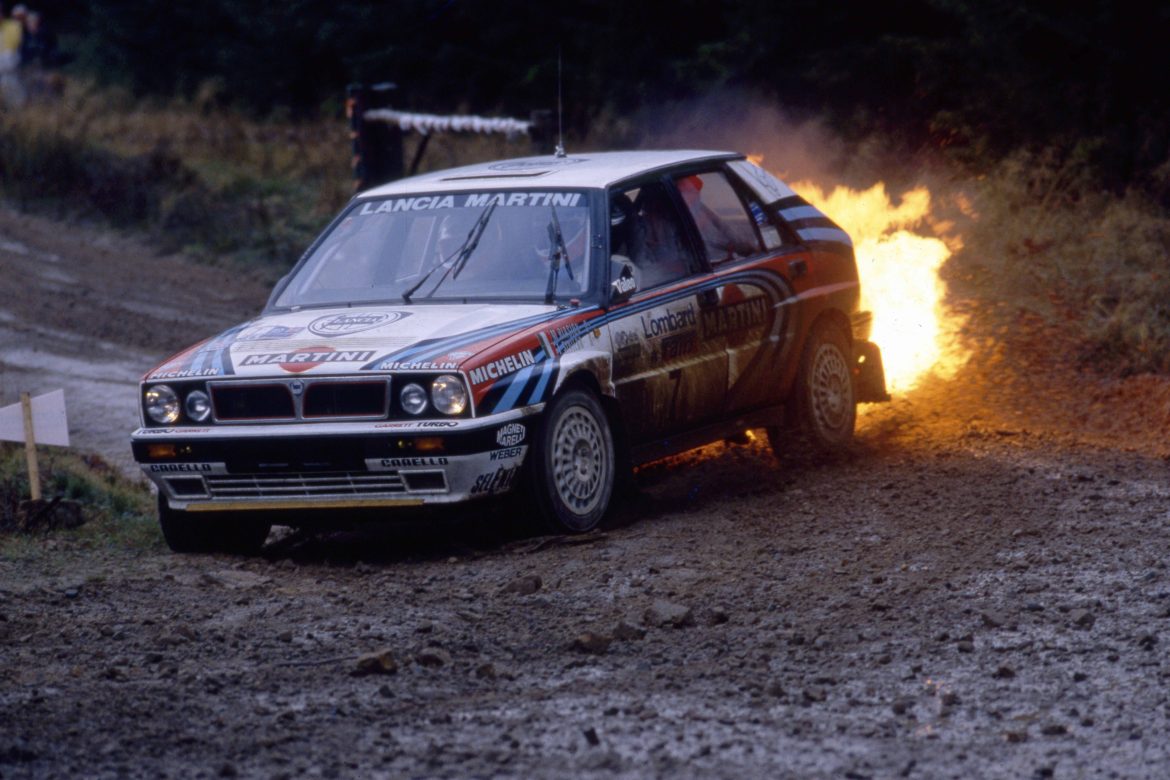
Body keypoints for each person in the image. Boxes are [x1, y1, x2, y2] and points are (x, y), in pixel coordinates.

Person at [0, 2, 26, 107]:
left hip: (8, 64)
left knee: (8, 79)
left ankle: (18, 106)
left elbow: (11, 53)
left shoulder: (14, 26)